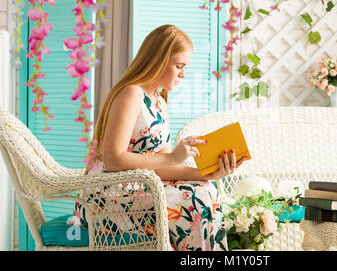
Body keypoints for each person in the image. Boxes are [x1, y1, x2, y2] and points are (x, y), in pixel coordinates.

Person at [73, 24, 247, 251]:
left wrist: (207, 173)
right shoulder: (131, 93)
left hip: (140, 187)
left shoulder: (159, 102)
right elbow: (113, 159)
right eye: (179, 66)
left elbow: (164, 164)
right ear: (158, 60)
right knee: (198, 200)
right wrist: (174, 157)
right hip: (107, 192)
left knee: (206, 188)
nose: (183, 74)